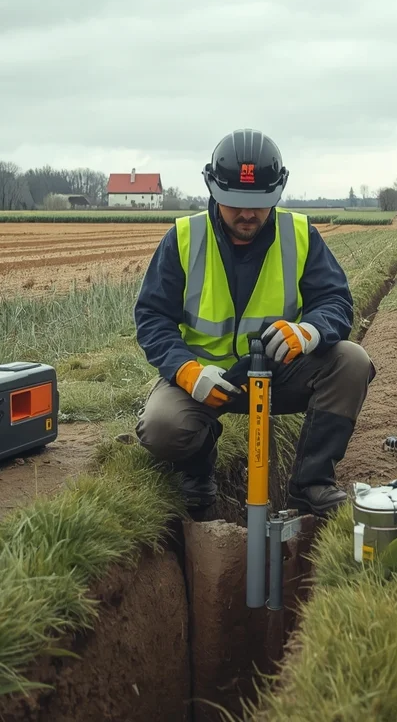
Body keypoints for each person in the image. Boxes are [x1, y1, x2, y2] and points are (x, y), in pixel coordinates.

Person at [132, 128, 375, 517]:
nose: (247, 214)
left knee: (352, 361)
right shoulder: (184, 237)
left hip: (281, 374)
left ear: (277, 193)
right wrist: (186, 371)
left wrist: (308, 332)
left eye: (259, 204)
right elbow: (152, 316)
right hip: (206, 378)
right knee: (162, 426)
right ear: (212, 190)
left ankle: (311, 483)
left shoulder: (298, 234)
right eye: (234, 203)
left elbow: (336, 300)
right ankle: (198, 470)